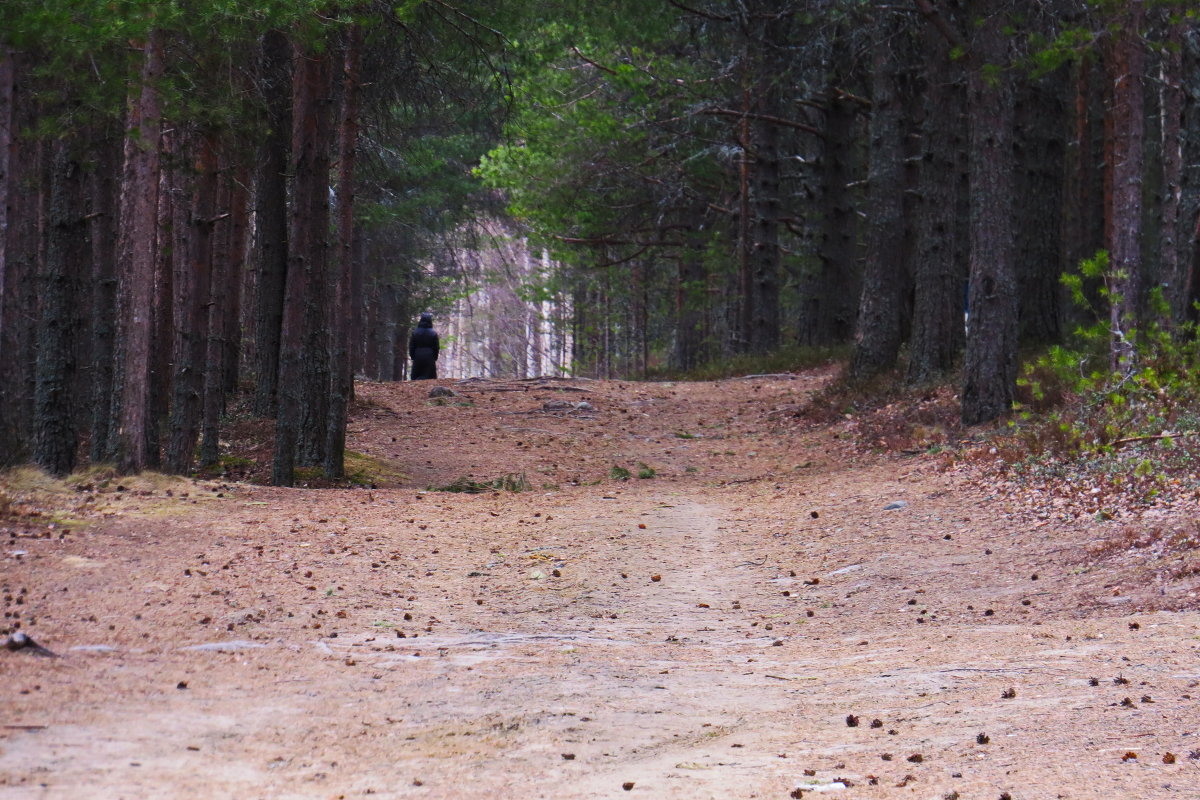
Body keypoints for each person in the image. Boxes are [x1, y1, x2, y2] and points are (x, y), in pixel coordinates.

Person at [409, 312, 440, 380]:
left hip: (418, 356)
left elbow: (412, 346)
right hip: (430, 356)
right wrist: (435, 357)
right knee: (429, 378)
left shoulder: (415, 332)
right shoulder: (433, 333)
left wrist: (412, 356)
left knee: (416, 377)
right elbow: (436, 347)